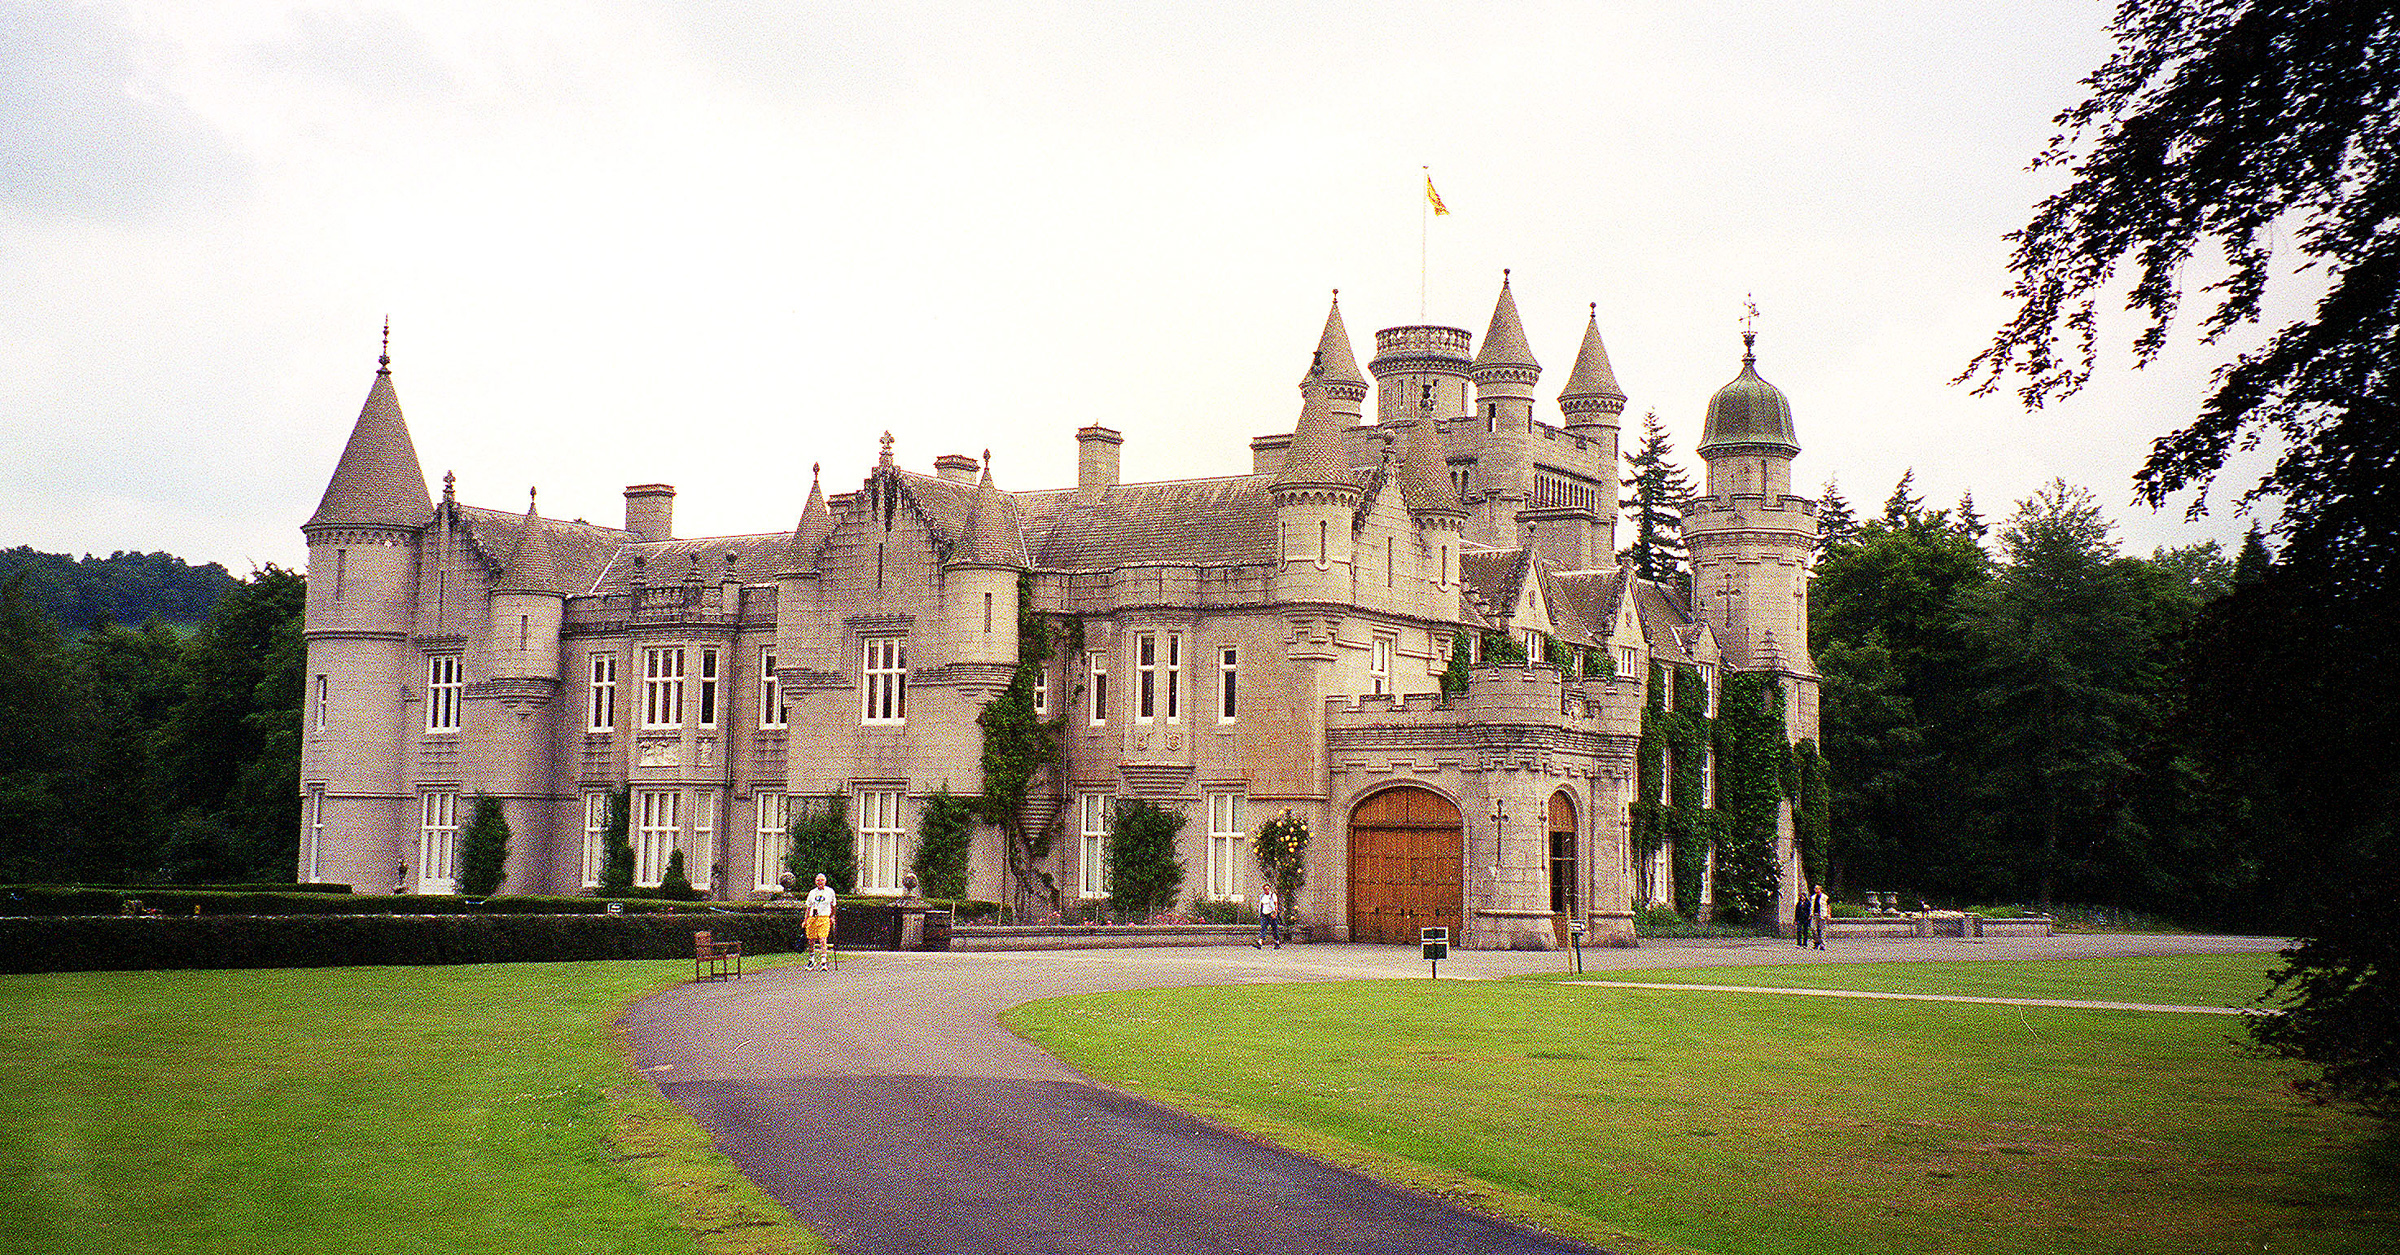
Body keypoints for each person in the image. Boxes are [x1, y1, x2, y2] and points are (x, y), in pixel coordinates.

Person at [803, 873, 836, 970]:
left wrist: (832, 916)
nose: (820, 882)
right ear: (815, 882)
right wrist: (805, 920)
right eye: (818, 880)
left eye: (822, 880)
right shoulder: (812, 892)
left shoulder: (830, 892)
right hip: (813, 918)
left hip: (824, 917)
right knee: (811, 939)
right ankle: (812, 960)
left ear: (825, 881)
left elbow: (833, 905)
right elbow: (808, 907)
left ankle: (824, 961)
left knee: (822, 939)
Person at [1809, 883, 1830, 950]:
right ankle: (1817, 941)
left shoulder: (1825, 897)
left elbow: (1828, 905)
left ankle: (1822, 944)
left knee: (1822, 930)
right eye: (1815, 888)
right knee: (1813, 928)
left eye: (1817, 888)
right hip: (1814, 914)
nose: (1816, 890)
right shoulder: (1813, 897)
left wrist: (1828, 914)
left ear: (1820, 889)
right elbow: (1811, 906)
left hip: (1822, 915)